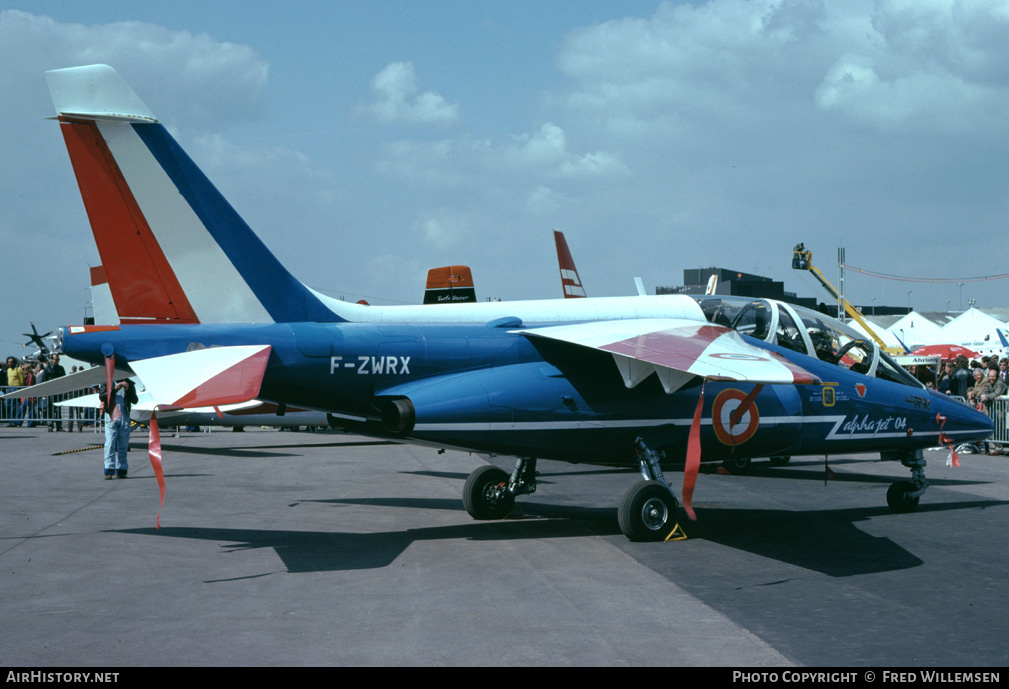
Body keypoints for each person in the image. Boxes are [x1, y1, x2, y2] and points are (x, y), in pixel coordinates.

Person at [100, 378, 138, 479]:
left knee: (123, 444)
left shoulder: (129, 383)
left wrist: (128, 390)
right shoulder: (107, 381)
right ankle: (108, 469)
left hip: (124, 415)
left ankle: (122, 469)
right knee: (110, 443)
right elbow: (102, 396)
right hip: (111, 414)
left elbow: (135, 400)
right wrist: (114, 389)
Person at [44, 354, 66, 431]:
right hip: (50, 391)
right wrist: (44, 392)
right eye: (55, 359)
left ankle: (59, 426)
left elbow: (64, 379)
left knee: (58, 409)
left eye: (57, 359)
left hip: (58, 391)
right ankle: (50, 425)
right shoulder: (47, 369)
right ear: (51, 360)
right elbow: (44, 380)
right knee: (50, 409)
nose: (56, 361)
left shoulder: (61, 368)